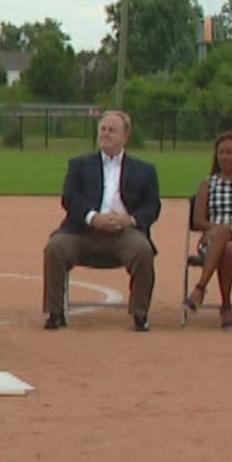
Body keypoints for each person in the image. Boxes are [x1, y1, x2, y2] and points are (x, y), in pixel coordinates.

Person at [42, 110, 161, 331]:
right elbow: (70, 198)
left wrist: (130, 221)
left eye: (112, 130)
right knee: (55, 247)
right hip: (83, 231)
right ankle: (55, 312)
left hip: (124, 234)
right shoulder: (79, 165)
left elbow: (152, 206)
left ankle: (140, 314)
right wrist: (92, 217)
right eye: (103, 129)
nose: (105, 134)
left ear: (125, 136)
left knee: (143, 251)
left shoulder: (145, 170)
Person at [185, 130, 232, 330]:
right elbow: (199, 220)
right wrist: (216, 231)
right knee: (226, 247)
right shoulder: (207, 183)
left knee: (225, 237)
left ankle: (200, 288)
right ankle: (226, 306)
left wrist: (222, 229)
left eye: (230, 152)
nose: (225, 157)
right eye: (221, 152)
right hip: (213, 241)